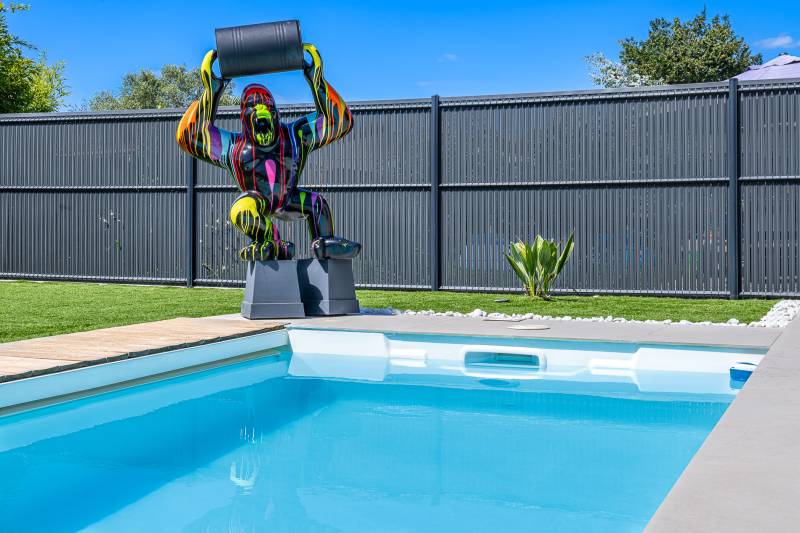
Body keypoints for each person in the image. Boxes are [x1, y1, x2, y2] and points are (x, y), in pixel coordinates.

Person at [177, 44, 361, 261]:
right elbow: (188, 136)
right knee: (241, 210)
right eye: (252, 106)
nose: (260, 110)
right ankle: (271, 241)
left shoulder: (296, 136)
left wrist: (316, 80)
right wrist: (212, 92)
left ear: (276, 113)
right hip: (257, 201)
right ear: (244, 118)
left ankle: (325, 242)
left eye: (266, 106)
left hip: (289, 198)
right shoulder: (234, 147)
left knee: (315, 203)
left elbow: (340, 121)